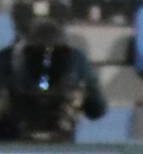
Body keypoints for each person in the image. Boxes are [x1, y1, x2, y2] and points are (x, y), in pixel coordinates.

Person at [0, 10, 105, 142]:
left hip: (12, 147)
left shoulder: (4, 58)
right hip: (58, 146)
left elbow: (97, 109)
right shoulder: (77, 59)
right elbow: (97, 110)